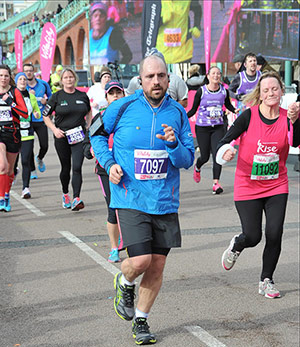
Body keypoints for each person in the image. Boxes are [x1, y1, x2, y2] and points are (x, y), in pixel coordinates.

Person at [90, 54, 194, 344]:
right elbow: (96, 133)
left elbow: (187, 158)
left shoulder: (178, 113)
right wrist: (109, 163)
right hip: (130, 196)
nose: (157, 81)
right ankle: (124, 280)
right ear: (140, 79)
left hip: (164, 200)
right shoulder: (122, 106)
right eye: (151, 76)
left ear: (169, 78)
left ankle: (141, 321)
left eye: (162, 76)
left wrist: (173, 144)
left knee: (157, 265)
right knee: (141, 260)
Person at [216, 71, 300, 298]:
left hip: (276, 185)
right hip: (247, 185)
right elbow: (224, 142)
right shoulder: (249, 116)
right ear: (260, 95)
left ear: (282, 91)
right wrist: (226, 152)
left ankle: (266, 280)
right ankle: (237, 244)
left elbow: (296, 142)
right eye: (266, 90)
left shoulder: (287, 116)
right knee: (253, 236)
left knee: (274, 233)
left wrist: (295, 121)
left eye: (275, 88)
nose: (271, 92)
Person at [84, 80, 125, 263]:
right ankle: (114, 248)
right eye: (112, 93)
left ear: (124, 95)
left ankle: (131, 242)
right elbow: (89, 141)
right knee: (112, 207)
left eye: (118, 92)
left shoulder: (130, 116)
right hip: (105, 169)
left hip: (129, 168)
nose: (115, 96)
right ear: (107, 97)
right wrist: (90, 151)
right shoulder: (100, 117)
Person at [42, 68, 92, 211]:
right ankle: (65, 194)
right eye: (66, 78)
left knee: (77, 167)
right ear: (62, 80)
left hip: (79, 137)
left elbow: (88, 111)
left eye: (71, 77)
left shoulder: (82, 96)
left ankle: (76, 198)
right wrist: (54, 129)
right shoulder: (57, 96)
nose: (69, 80)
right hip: (62, 137)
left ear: (75, 79)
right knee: (66, 168)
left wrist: (88, 127)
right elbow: (46, 115)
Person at [187, 66, 237, 194]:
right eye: (213, 73)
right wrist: (182, 116)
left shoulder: (224, 91)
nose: (216, 76)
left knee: (217, 155)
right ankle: (197, 167)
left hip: (218, 127)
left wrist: (234, 110)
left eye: (218, 74)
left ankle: (216, 183)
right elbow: (193, 109)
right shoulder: (201, 91)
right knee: (204, 156)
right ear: (208, 76)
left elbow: (228, 105)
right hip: (203, 128)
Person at [0, 64, 28, 212]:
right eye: (0, 75)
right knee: (2, 166)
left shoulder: (14, 92)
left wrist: (10, 102)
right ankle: (1, 197)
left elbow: (25, 113)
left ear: (9, 77)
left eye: (5, 75)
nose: (3, 78)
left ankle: (6, 195)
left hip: (13, 134)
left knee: (10, 170)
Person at [23, 63, 52, 179]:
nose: (28, 73)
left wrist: (47, 101)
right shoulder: (21, 86)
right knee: (28, 148)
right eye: (26, 71)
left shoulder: (43, 84)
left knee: (44, 145)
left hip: (40, 119)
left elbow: (51, 97)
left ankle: (39, 158)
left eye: (30, 70)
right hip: (27, 120)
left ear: (34, 72)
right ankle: (32, 170)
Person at [15, 72, 41, 199]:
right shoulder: (12, 96)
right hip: (14, 132)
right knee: (13, 162)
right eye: (20, 79)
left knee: (25, 160)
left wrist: (36, 114)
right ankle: (14, 171)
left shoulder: (31, 96)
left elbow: (37, 111)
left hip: (27, 132)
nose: (23, 81)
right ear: (16, 81)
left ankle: (25, 188)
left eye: (24, 79)